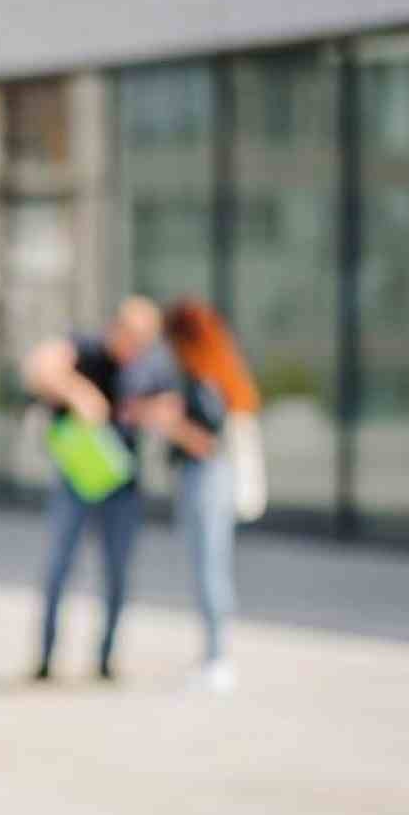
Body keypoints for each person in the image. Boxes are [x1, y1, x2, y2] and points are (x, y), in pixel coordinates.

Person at [21, 296, 167, 682]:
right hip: (76, 481)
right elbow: (38, 367)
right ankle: (47, 657)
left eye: (143, 340)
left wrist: (146, 413)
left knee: (117, 574)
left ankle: (105, 659)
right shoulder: (85, 351)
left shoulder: (150, 368)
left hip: (121, 486)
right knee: (58, 567)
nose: (134, 346)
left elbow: (170, 407)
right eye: (130, 336)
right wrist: (78, 392)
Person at [126, 297, 263, 693]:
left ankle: (217, 658)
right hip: (204, 478)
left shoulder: (203, 379)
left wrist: (166, 421)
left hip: (206, 479)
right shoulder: (214, 372)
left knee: (210, 568)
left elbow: (207, 442)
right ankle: (213, 655)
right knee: (209, 567)